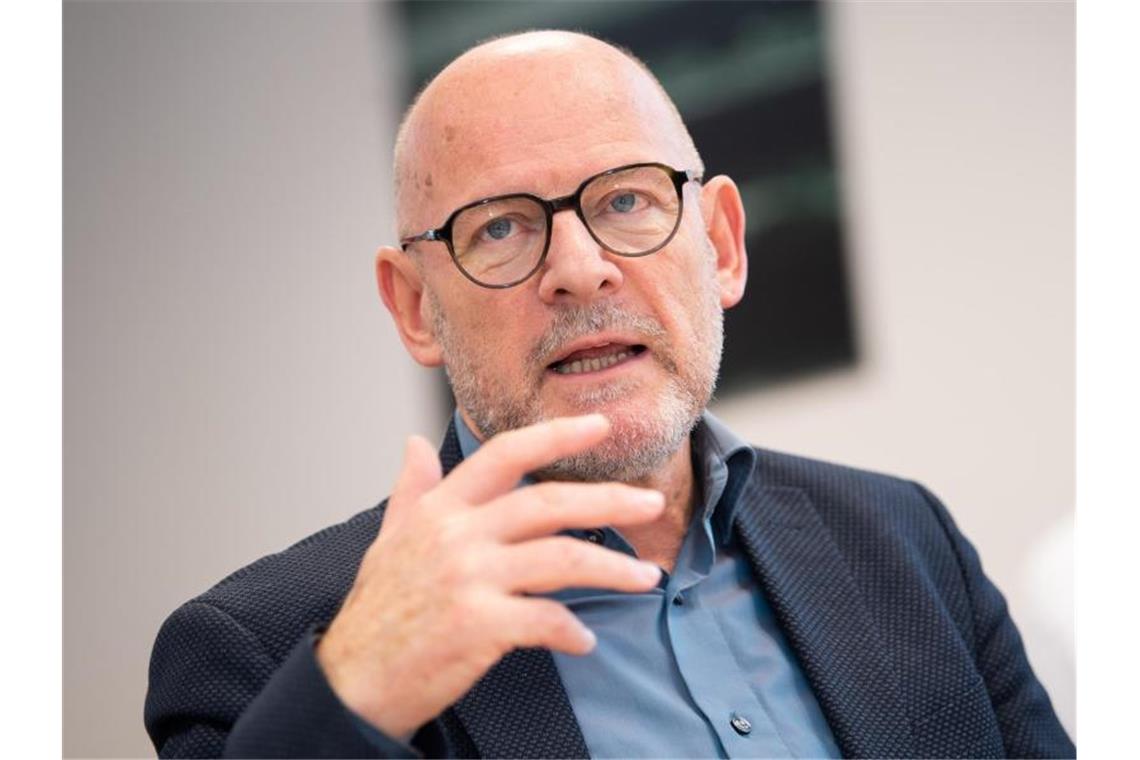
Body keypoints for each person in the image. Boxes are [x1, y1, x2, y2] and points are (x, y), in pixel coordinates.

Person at [144, 30, 1074, 759]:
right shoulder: (260, 653)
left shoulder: (906, 540)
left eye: (627, 201)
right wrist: (354, 697)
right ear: (417, 307)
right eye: (501, 227)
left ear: (721, 244)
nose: (580, 272)